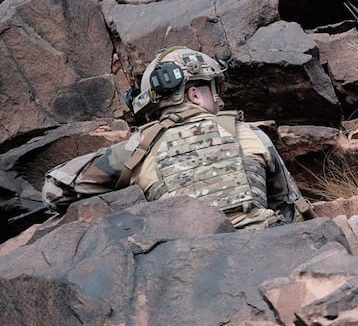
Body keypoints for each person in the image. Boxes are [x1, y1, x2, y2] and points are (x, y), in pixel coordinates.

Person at [43, 46, 310, 229]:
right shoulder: (249, 134)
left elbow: (55, 191)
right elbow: (292, 209)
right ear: (194, 95)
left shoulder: (139, 148)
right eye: (214, 90)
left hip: (184, 266)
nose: (221, 100)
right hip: (266, 253)